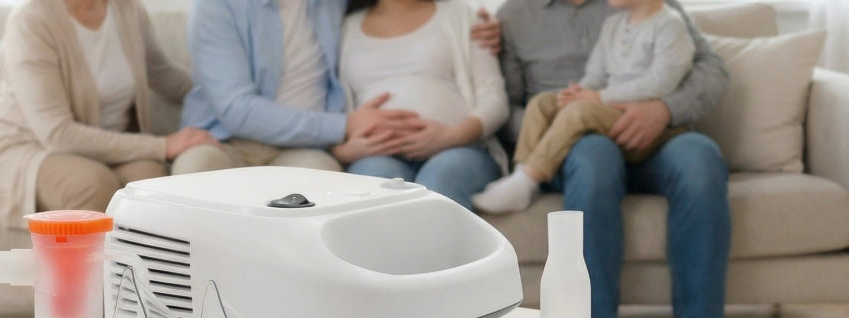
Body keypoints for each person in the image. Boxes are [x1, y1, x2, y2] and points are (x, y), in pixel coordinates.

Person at [494, 0, 734, 318]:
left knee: (701, 159)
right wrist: (564, 116)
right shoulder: (515, 15)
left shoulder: (654, 9)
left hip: (658, 134)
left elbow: (712, 70)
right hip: (574, 144)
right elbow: (507, 107)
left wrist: (664, 108)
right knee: (595, 159)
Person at [174, 0, 505, 175]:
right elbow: (237, 110)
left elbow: (404, 14)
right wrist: (344, 126)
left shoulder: (334, 5)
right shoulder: (217, 5)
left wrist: (491, 25)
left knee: (328, 184)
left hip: (304, 148)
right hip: (225, 141)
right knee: (195, 171)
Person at [0, 0, 219, 228]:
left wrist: (226, 96)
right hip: (32, 148)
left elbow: (162, 74)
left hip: (109, 147)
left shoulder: (128, 9)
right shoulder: (31, 20)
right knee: (92, 185)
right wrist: (163, 145)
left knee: (149, 184)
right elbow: (58, 134)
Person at [473, 0, 691, 213]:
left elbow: (661, 82)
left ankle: (529, 177)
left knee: (579, 113)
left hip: (638, 115)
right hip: (608, 106)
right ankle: (520, 174)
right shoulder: (614, 23)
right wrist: (578, 93)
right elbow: (597, 72)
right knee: (542, 103)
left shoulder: (670, 24)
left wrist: (597, 97)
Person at [335, 0, 508, 210]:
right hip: (375, 156)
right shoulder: (344, 28)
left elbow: (494, 98)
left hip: (461, 149)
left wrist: (452, 137)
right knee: (374, 187)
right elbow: (326, 108)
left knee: (438, 182)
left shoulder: (463, 15)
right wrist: (342, 151)